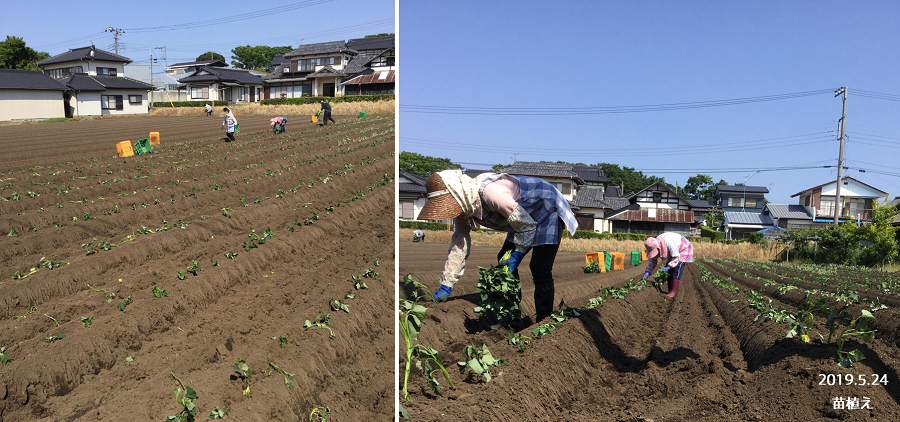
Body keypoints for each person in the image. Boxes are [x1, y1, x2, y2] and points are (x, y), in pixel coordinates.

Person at [418, 170, 577, 325]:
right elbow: (459, 245)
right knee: (503, 259)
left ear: (459, 195)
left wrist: (517, 255)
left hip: (545, 206)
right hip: (521, 217)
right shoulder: (464, 210)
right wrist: (447, 283)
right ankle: (512, 316)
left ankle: (544, 320)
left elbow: (527, 226)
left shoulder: (491, 193)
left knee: (539, 267)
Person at [643, 232, 694, 298]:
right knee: (669, 272)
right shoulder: (655, 243)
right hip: (674, 251)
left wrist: (668, 267)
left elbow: (676, 257)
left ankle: (673, 292)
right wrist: (648, 271)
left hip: (683, 248)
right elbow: (653, 260)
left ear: (658, 248)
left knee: (676, 269)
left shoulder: (668, 242)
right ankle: (670, 290)